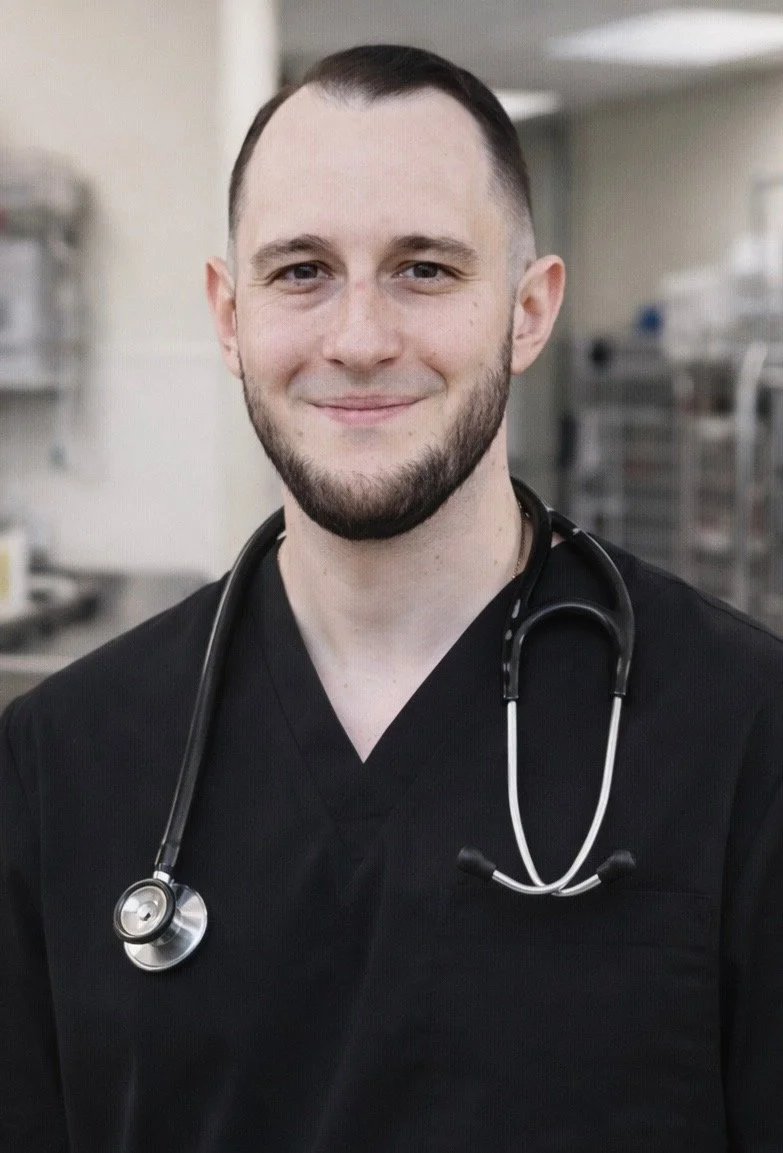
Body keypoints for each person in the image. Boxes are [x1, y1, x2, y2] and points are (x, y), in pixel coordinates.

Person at [1, 42, 782, 1153]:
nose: (359, 339)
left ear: (528, 308)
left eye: (424, 269)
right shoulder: (57, 763)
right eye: (302, 270)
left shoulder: (743, 736)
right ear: (229, 315)